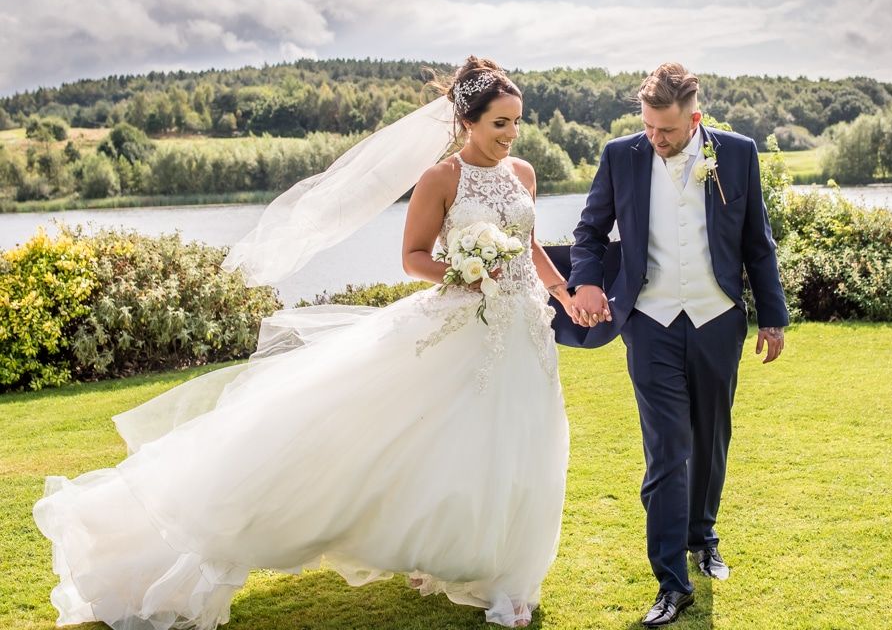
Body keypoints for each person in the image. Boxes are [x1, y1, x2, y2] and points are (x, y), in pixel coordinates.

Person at [33, 56, 574, 630]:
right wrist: (462, 273)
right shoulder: (441, 179)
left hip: (523, 330)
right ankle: (475, 572)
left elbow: (528, 245)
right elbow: (414, 257)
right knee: (414, 440)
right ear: (468, 121)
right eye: (500, 123)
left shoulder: (523, 173)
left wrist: (562, 292)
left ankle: (491, 570)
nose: (511, 134)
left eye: (517, 122)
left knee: (512, 444)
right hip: (458, 327)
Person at [551, 62, 788, 626]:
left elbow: (757, 242)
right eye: (648, 127)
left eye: (668, 130)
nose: (656, 138)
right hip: (650, 321)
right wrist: (585, 281)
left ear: (695, 119)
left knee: (711, 437)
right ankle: (670, 582)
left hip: (717, 318)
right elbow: (589, 232)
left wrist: (772, 317)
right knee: (666, 450)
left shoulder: (738, 153)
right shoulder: (621, 155)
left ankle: (702, 536)